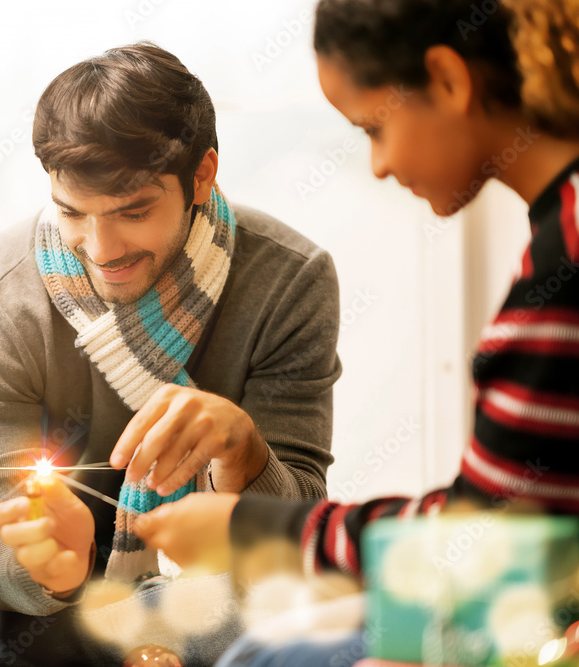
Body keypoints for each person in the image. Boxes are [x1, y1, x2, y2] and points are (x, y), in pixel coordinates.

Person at [128, 1, 579, 665]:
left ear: (448, 80)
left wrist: (250, 530)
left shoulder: (561, 269)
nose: (378, 166)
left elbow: (480, 542)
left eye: (374, 128)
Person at [0, 42, 343, 666]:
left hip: (218, 588)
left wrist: (246, 454)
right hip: (51, 618)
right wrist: (50, 567)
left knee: (316, 618)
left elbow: (293, 541)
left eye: (134, 211)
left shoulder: (290, 280)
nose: (101, 248)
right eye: (73, 213)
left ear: (202, 174)